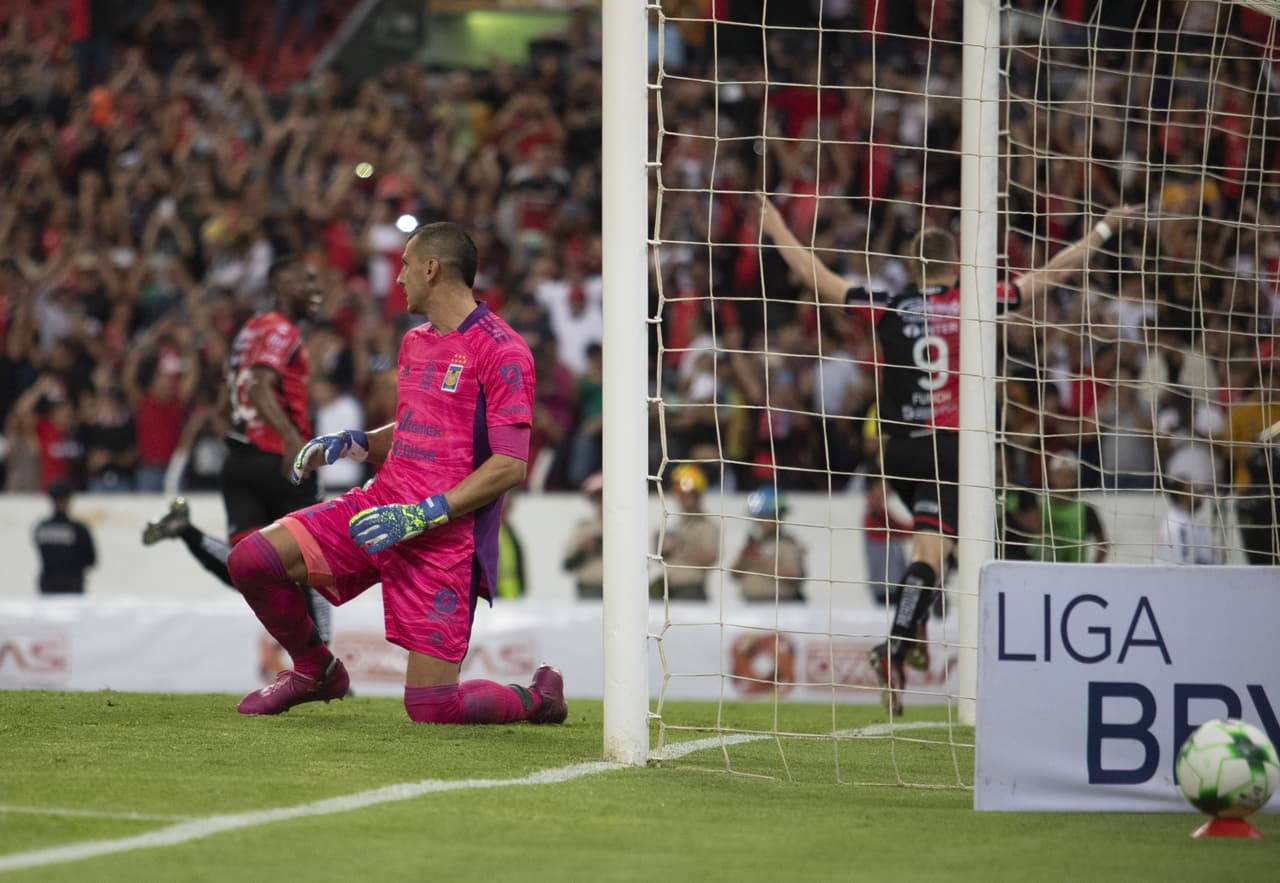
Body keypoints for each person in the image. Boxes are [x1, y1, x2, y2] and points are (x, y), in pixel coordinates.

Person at [759, 194, 1139, 714]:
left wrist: (777, 224)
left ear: (911, 268)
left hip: (900, 452)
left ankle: (899, 642)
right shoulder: (976, 302)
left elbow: (814, 273)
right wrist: (1102, 229)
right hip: (955, 448)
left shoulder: (888, 306)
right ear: (955, 265)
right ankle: (927, 644)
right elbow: (1050, 276)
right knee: (964, 549)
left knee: (929, 550)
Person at [228, 221, 566, 725]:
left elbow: (509, 464)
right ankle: (315, 669)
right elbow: (415, 429)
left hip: (444, 538)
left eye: (405, 265)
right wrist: (358, 443)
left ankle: (539, 698)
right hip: (380, 508)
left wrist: (425, 514)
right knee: (253, 560)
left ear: (431, 269)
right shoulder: (414, 343)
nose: (400, 279)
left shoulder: (504, 351)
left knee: (432, 708)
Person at [142, 257, 335, 644]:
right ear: (281, 284)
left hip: (240, 460)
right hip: (282, 461)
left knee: (249, 566)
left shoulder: (249, 332)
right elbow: (262, 385)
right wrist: (291, 440)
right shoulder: (283, 331)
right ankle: (324, 665)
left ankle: (187, 532)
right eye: (307, 279)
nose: (317, 288)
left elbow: (225, 402)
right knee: (313, 565)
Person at [652, 463, 720, 601]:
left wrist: (681, 544)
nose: (682, 499)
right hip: (668, 587)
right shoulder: (678, 525)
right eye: (680, 495)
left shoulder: (707, 526)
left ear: (697, 495)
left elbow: (710, 558)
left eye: (686, 495)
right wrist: (659, 544)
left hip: (690, 589)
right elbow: (662, 558)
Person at [730, 487, 806, 603]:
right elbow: (734, 574)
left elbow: (795, 576)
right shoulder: (753, 544)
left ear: (778, 517)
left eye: (767, 516)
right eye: (759, 517)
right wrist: (745, 558)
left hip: (781, 605)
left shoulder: (788, 544)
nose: (762, 522)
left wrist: (759, 562)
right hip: (752, 605)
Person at [1032, 453, 1110, 564]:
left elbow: (1102, 544)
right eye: (1059, 474)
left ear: (1076, 478)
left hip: (1075, 572)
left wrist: (1093, 570)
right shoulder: (1039, 506)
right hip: (1042, 569)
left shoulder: (1085, 510)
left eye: (1068, 475)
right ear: (1050, 476)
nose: (1063, 480)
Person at [33, 481, 97, 595]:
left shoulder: (41, 528)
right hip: (73, 587)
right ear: (68, 500)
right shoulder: (79, 529)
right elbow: (91, 560)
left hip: (48, 586)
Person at [562, 471, 605, 599]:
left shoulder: (628, 530)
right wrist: (584, 549)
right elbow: (567, 564)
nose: (603, 502)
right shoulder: (584, 529)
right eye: (599, 497)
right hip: (589, 589)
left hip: (621, 589)